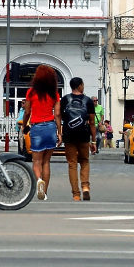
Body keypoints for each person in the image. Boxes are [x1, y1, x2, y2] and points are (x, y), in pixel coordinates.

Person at [22, 65, 61, 201]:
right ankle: (44, 192)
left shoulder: (31, 93)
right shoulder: (54, 93)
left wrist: (24, 125)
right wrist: (59, 133)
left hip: (37, 127)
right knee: (46, 162)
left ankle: (38, 181)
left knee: (36, 161)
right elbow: (57, 114)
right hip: (50, 127)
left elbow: (27, 111)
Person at [59, 77, 96, 201]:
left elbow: (59, 116)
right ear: (80, 86)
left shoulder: (65, 100)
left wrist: (60, 132)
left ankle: (76, 194)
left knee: (72, 164)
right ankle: (85, 187)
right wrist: (94, 140)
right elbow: (91, 122)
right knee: (84, 161)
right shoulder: (88, 101)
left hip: (69, 135)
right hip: (84, 135)